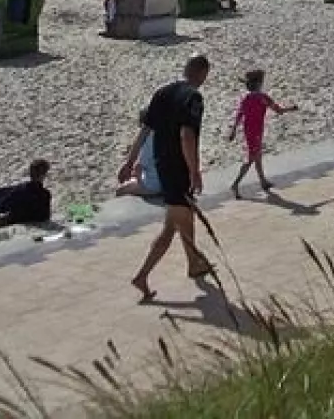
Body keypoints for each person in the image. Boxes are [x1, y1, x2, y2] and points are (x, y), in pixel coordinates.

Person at [120, 53, 214, 301]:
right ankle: (142, 276)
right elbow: (187, 136)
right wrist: (194, 171)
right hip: (178, 170)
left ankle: (194, 262)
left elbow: (145, 129)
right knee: (171, 226)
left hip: (162, 166)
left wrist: (129, 161)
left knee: (180, 219)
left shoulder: (162, 92)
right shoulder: (193, 98)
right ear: (203, 73)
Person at [229, 68, 298, 198]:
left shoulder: (246, 98)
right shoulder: (263, 98)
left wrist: (233, 130)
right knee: (251, 159)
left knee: (257, 157)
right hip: (256, 132)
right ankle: (235, 184)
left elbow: (239, 114)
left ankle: (263, 182)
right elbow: (278, 110)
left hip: (249, 130)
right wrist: (291, 108)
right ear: (259, 83)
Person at [0, 159, 53, 229]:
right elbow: (45, 217)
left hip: (13, 224)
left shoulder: (20, 190)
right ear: (43, 175)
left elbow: (3, 205)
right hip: (27, 226)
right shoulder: (45, 195)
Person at [115, 111, 161, 197]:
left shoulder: (149, 141)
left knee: (120, 190)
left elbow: (139, 167)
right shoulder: (165, 134)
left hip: (154, 184)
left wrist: (136, 175)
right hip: (168, 180)